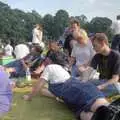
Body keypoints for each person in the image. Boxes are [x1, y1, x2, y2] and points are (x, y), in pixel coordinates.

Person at [23, 51, 110, 120]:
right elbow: (43, 90)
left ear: (50, 60)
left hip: (73, 90)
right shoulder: (62, 69)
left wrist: (29, 97)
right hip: (74, 90)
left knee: (91, 111)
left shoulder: (50, 67)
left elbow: (39, 85)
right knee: (101, 110)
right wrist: (56, 97)